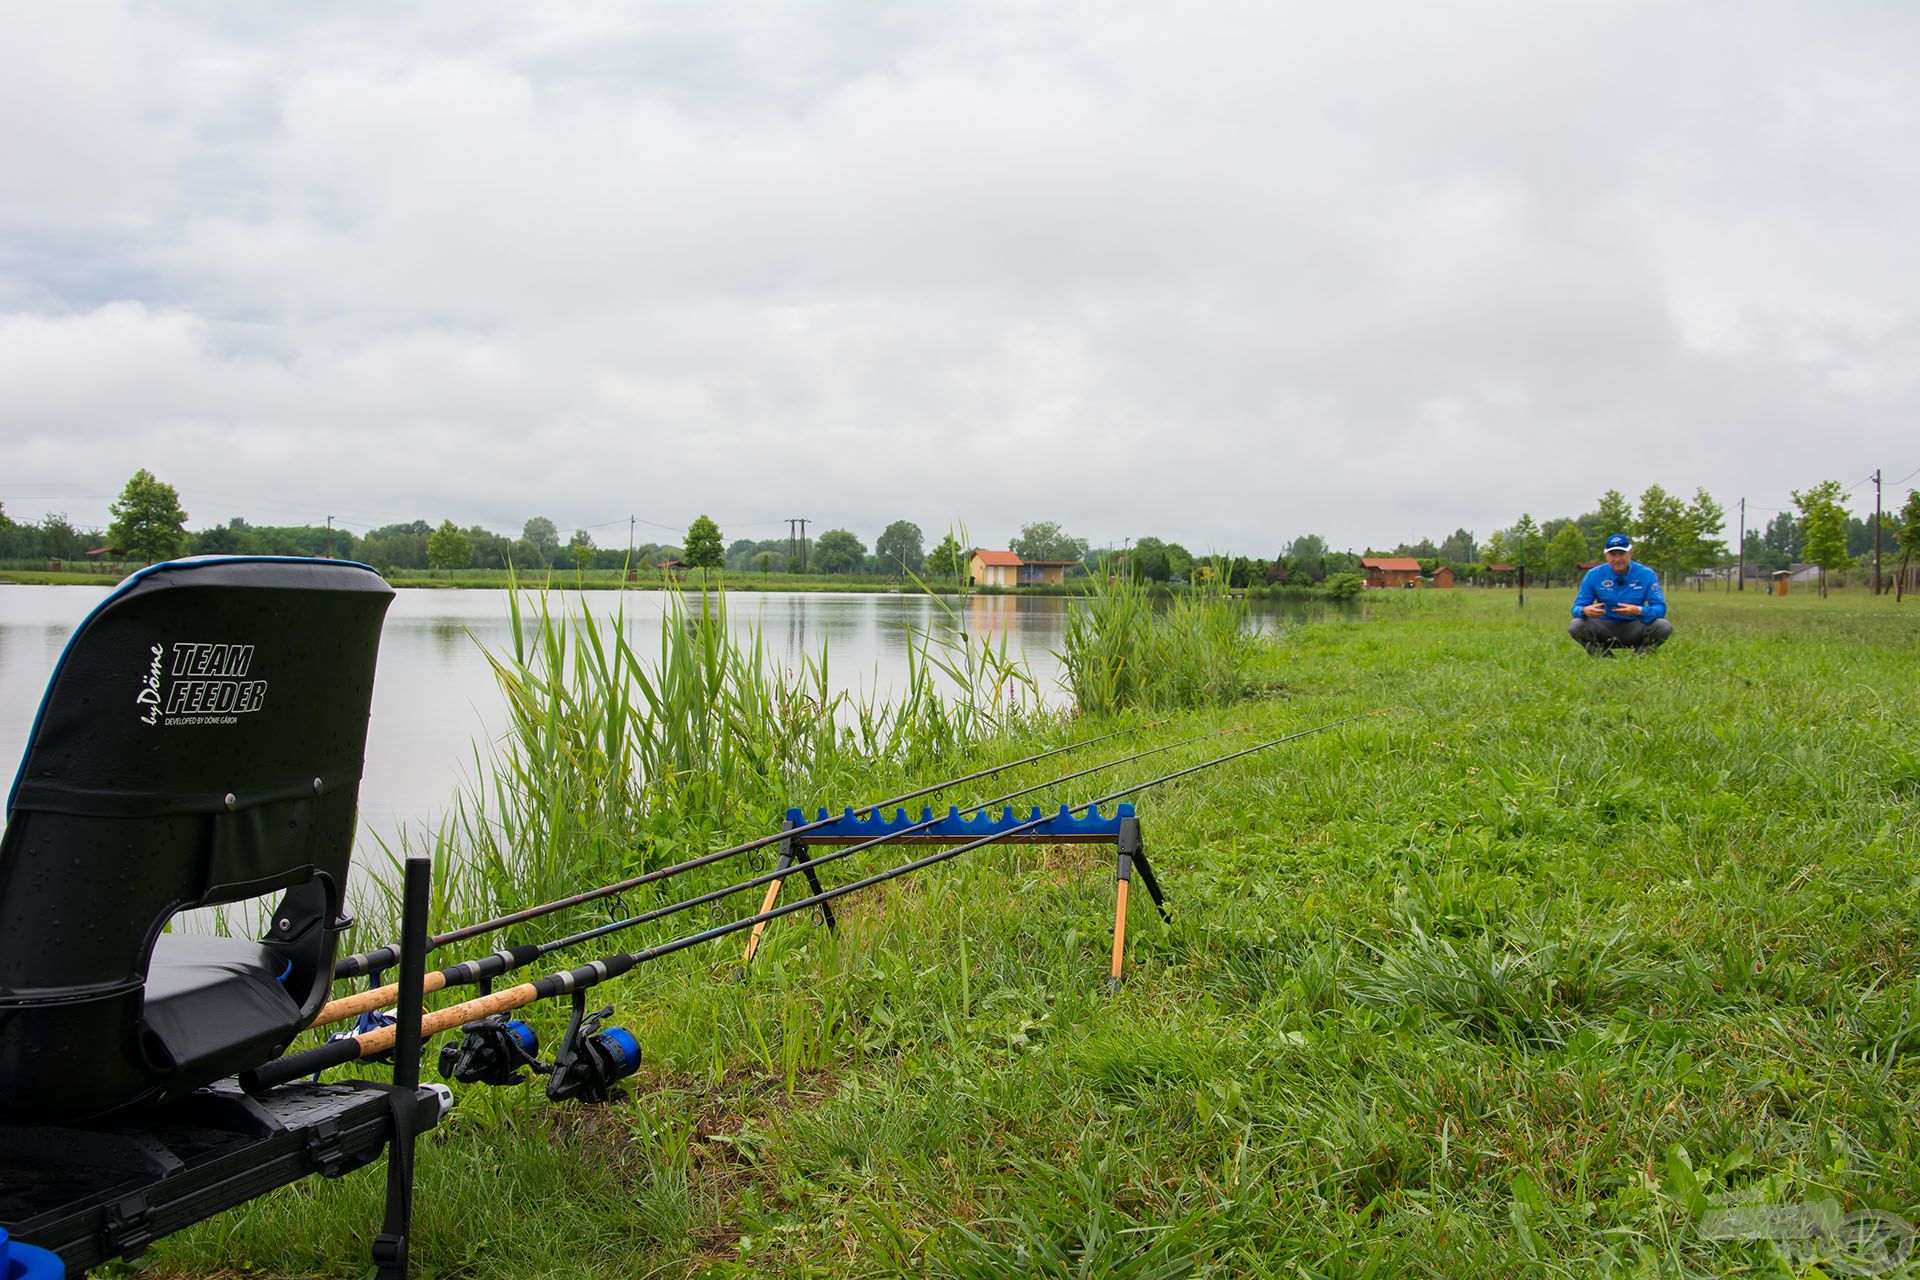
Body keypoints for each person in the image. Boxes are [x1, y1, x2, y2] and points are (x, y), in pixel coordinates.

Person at [1568, 534, 1672, 656]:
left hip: (1636, 625)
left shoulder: (1647, 574)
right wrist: (1585, 611)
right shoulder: (1593, 575)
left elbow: (1660, 608)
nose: (1617, 559)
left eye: (1621, 554)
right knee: (1576, 625)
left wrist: (1639, 611)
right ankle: (1605, 658)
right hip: (1605, 626)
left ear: (1630, 553)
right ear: (1606, 556)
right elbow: (1576, 608)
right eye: (1612, 555)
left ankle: (1640, 657)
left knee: (1663, 626)